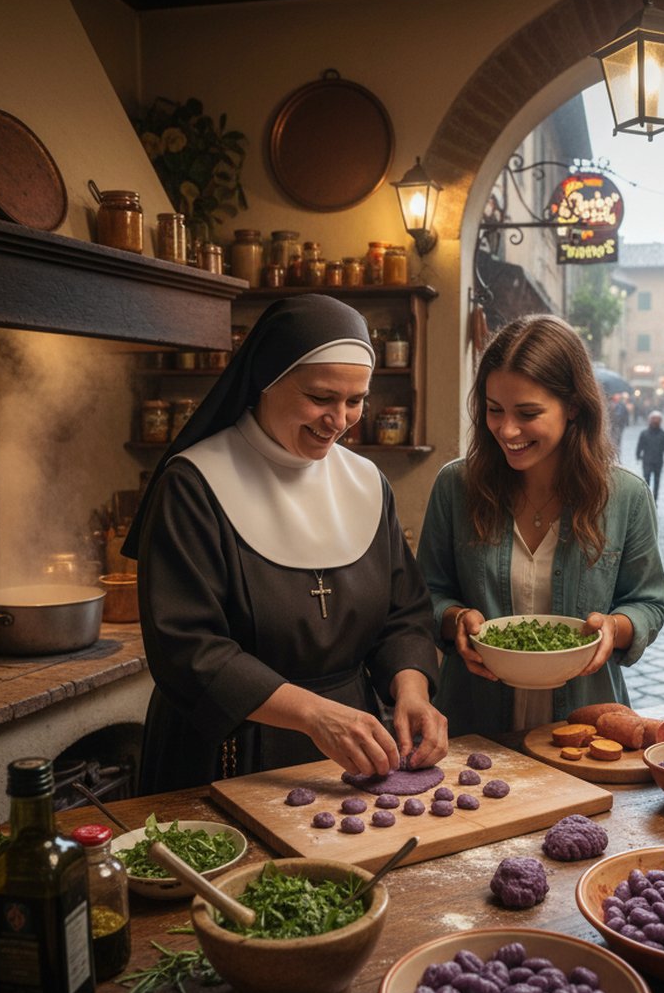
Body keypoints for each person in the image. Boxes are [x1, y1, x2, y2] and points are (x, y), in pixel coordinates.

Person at [123, 295, 447, 792]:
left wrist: (412, 689)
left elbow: (404, 614)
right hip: (230, 749)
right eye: (321, 398)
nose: (339, 420)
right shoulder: (193, 484)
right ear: (266, 379)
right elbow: (188, 649)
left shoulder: (367, 482)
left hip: (352, 750)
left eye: (355, 400)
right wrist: (314, 715)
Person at [416, 314, 664, 738]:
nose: (507, 429)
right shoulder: (455, 486)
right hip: (471, 724)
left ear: (573, 406)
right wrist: (455, 618)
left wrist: (613, 627)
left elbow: (648, 603)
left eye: (528, 412)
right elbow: (425, 596)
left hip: (584, 733)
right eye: (494, 410)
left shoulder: (625, 495)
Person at [635, 410, 664, 500]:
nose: (655, 421)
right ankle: (647, 499)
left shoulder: (663, 435)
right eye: (653, 419)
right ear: (650, 420)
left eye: (657, 420)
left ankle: (654, 499)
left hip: (658, 462)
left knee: (657, 481)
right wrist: (637, 455)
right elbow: (640, 446)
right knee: (646, 480)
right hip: (647, 461)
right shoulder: (644, 434)